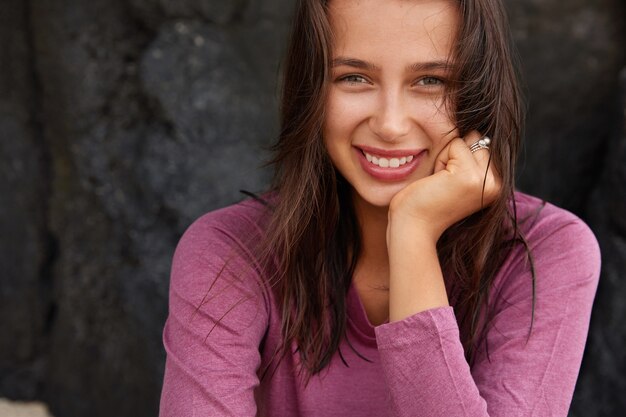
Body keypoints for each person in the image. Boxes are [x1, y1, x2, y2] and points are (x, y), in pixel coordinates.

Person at [158, 0, 601, 415]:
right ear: (310, 89)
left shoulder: (546, 252)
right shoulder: (228, 254)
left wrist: (412, 233)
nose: (390, 124)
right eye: (354, 77)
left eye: (431, 81)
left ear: (479, 95)